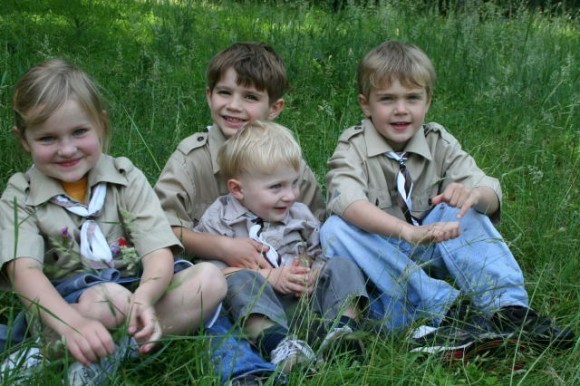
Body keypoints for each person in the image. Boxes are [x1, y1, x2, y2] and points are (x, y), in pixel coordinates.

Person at [319, 40, 575, 354]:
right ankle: (451, 311)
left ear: (427, 101)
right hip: (383, 257)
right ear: (366, 104)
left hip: (436, 246)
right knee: (334, 229)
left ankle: (509, 310)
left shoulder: (438, 140)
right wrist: (406, 231)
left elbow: (490, 191)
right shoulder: (352, 144)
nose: (401, 109)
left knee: (464, 207)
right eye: (387, 99)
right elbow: (346, 200)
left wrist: (473, 194)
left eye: (412, 98)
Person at [0, 59, 226, 385]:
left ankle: (110, 356)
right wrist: (68, 324)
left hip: (135, 291)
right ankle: (49, 349)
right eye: (47, 138)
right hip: (66, 309)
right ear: (24, 140)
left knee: (211, 279)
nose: (67, 149)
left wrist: (145, 299)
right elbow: (23, 271)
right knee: (107, 300)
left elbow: (157, 252)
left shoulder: (124, 176)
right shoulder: (21, 193)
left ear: (101, 126)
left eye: (79, 132)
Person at [154, 41, 325, 385]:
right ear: (209, 95)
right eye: (224, 92)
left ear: (274, 107)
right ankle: (245, 368)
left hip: (281, 283)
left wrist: (304, 268)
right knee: (200, 295)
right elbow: (162, 229)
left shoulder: (290, 163)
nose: (233, 106)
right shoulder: (192, 158)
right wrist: (223, 247)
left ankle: (312, 335)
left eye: (249, 97)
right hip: (215, 278)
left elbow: (314, 225)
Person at [195, 120, 368, 372]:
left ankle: (342, 332)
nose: (290, 195)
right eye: (276, 187)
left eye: (294, 183)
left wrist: (311, 272)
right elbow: (214, 276)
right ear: (237, 189)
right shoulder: (219, 220)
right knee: (240, 282)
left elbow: (319, 255)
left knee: (342, 265)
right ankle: (280, 347)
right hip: (259, 313)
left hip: (307, 306)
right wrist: (270, 277)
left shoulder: (299, 214)